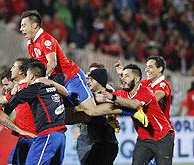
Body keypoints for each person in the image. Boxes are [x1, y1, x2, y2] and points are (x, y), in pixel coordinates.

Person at [19, 10, 148, 125]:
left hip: (71, 78)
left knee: (91, 110)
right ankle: (94, 120)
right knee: (64, 116)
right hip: (60, 83)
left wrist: (41, 80)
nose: (21, 29)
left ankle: (130, 111)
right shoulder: (31, 44)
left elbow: (51, 63)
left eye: (24, 25)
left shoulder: (45, 39)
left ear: (34, 25)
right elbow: (37, 68)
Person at [100, 64, 189, 165]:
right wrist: (103, 105)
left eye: (127, 76)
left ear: (137, 79)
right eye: (122, 76)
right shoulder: (122, 93)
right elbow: (106, 101)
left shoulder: (146, 92)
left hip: (162, 136)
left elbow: (135, 105)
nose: (123, 78)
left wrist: (112, 98)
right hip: (144, 138)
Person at [116, 57, 192, 165]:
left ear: (160, 69)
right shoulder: (146, 83)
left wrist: (143, 100)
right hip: (149, 133)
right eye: (146, 66)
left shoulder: (163, 85)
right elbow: (133, 84)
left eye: (150, 66)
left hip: (162, 132)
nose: (147, 69)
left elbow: (154, 97)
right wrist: (122, 74)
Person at [4, 61, 68, 165]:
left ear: (31, 75)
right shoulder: (54, 88)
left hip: (46, 135)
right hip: (60, 135)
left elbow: (16, 100)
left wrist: (5, 111)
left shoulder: (35, 88)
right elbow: (68, 95)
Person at [78, 67, 133, 165]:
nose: (88, 81)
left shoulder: (106, 96)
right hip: (102, 142)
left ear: (99, 81)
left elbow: (99, 111)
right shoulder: (93, 97)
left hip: (105, 142)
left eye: (91, 78)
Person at [3, 58, 40, 165]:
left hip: (33, 137)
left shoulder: (30, 88)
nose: (11, 69)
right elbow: (5, 102)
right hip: (23, 138)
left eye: (14, 66)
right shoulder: (19, 88)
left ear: (22, 71)